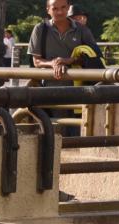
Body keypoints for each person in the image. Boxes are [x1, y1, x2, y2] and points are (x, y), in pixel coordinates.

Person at [28, 0, 97, 136]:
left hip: (79, 89)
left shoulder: (82, 30)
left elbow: (92, 56)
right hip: (49, 88)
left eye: (63, 7)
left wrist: (68, 61)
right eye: (55, 8)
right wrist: (53, 63)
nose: (59, 12)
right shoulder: (40, 29)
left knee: (76, 131)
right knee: (52, 130)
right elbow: (36, 61)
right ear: (48, 9)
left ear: (68, 8)